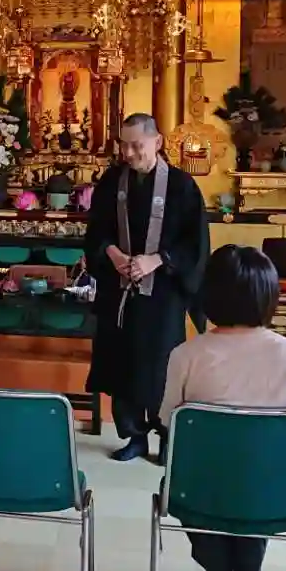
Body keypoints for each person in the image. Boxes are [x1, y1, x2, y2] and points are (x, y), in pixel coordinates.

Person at [158, 245, 286, 571]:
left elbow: (169, 420)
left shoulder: (186, 355)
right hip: (276, 492)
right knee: (256, 480)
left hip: (200, 491)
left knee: (193, 483)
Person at [83, 113, 209, 462]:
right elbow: (96, 231)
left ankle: (167, 437)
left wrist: (157, 260)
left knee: (161, 369)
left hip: (162, 295)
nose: (128, 153)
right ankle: (133, 435)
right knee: (120, 362)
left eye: (136, 145)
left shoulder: (182, 186)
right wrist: (112, 254)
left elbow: (195, 243)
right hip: (119, 291)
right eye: (123, 145)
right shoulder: (112, 181)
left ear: (158, 142)